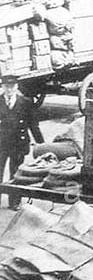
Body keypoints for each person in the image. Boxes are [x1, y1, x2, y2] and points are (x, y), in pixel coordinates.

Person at [0, 75, 43, 210]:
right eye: (6, 86)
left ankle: (14, 202)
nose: (9, 89)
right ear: (2, 87)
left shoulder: (25, 102)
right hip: (1, 144)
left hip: (18, 144)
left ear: (17, 87)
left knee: (16, 174)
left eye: (12, 86)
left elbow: (33, 125)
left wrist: (42, 145)